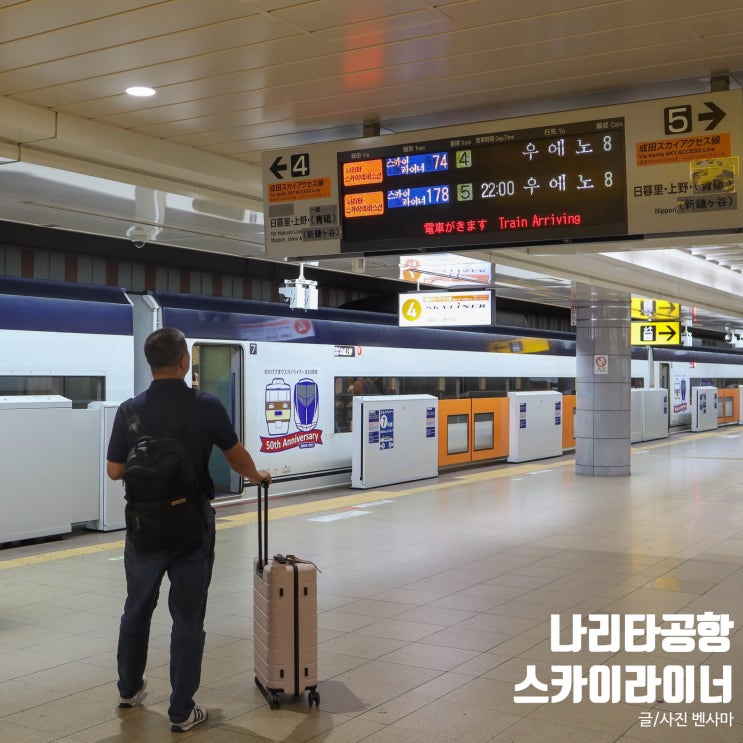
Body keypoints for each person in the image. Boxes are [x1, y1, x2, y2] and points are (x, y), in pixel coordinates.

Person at [106, 327, 271, 733]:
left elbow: (114, 471)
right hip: (192, 528)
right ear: (184, 361)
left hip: (144, 528)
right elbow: (236, 458)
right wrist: (257, 475)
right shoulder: (207, 405)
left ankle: (128, 689)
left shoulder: (128, 411)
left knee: (137, 607)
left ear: (150, 363)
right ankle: (181, 711)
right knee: (187, 618)